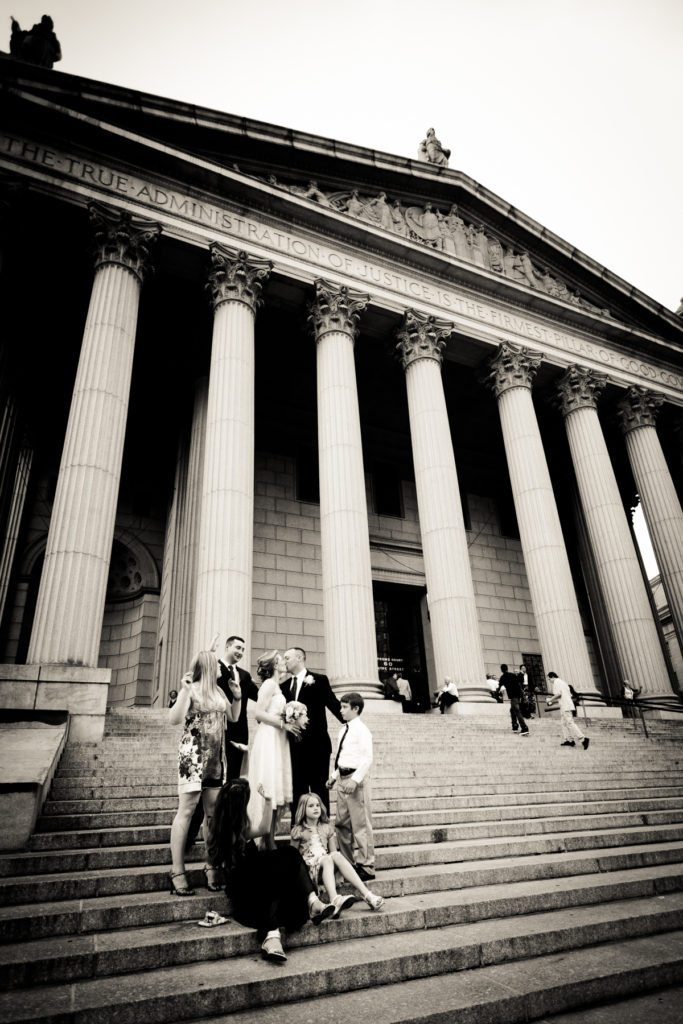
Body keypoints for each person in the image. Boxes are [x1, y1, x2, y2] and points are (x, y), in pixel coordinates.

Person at [210, 777, 335, 963]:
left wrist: (268, 801)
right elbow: (262, 829)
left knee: (290, 855)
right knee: (275, 880)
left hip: (254, 874)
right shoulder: (233, 831)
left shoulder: (222, 826)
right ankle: (273, 935)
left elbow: (260, 831)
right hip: (246, 885)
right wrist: (268, 801)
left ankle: (312, 903)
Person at [168, 650, 242, 896]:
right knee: (187, 810)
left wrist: (237, 696)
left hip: (215, 759)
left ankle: (211, 865)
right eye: (217, 665)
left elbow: (232, 717)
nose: (222, 668)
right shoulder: (193, 688)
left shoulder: (219, 692)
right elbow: (174, 719)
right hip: (193, 756)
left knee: (212, 814)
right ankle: (178, 871)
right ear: (210, 666)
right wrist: (185, 691)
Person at [291, 793, 384, 915]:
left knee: (336, 855)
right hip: (310, 871)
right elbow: (292, 858)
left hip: (325, 866)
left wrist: (338, 874)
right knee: (328, 859)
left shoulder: (326, 828)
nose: (315, 808)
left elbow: (333, 852)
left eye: (318, 805)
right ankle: (335, 899)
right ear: (303, 809)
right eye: (311, 806)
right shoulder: (298, 831)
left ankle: (368, 895)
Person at [281, 646, 343, 814]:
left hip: (318, 746)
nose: (284, 661)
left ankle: (322, 833)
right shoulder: (283, 686)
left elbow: (333, 704)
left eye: (287, 658)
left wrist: (350, 720)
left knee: (320, 791)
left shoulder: (320, 680)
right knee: (297, 792)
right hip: (294, 747)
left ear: (299, 658)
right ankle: (298, 834)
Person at [248, 650, 299, 849]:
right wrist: (282, 723)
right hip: (269, 737)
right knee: (268, 781)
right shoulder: (269, 685)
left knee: (277, 784)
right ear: (273, 666)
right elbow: (258, 713)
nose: (283, 663)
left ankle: (269, 838)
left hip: (278, 738)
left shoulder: (277, 686)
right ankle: (265, 838)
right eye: (280, 661)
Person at [326, 692, 376, 882]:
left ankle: (367, 864)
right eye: (341, 706)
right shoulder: (343, 729)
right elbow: (342, 757)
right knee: (341, 823)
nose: (341, 710)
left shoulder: (362, 730)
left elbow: (366, 758)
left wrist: (355, 780)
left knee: (361, 825)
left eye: (345, 707)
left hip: (356, 781)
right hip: (342, 778)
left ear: (356, 709)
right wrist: (333, 777)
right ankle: (347, 863)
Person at [546, 671, 590, 750]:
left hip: (565, 706)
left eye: (549, 679)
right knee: (563, 723)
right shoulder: (563, 683)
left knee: (569, 723)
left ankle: (583, 739)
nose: (549, 681)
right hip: (566, 705)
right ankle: (569, 740)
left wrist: (550, 699)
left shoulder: (556, 682)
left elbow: (558, 694)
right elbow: (566, 695)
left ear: (552, 677)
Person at [498, 664, 529, 736]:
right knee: (512, 710)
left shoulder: (503, 677)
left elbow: (499, 687)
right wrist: (522, 695)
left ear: (501, 670)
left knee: (517, 710)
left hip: (513, 696)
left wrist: (498, 694)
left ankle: (524, 728)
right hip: (518, 694)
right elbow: (519, 684)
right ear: (507, 668)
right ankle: (515, 726)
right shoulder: (512, 675)